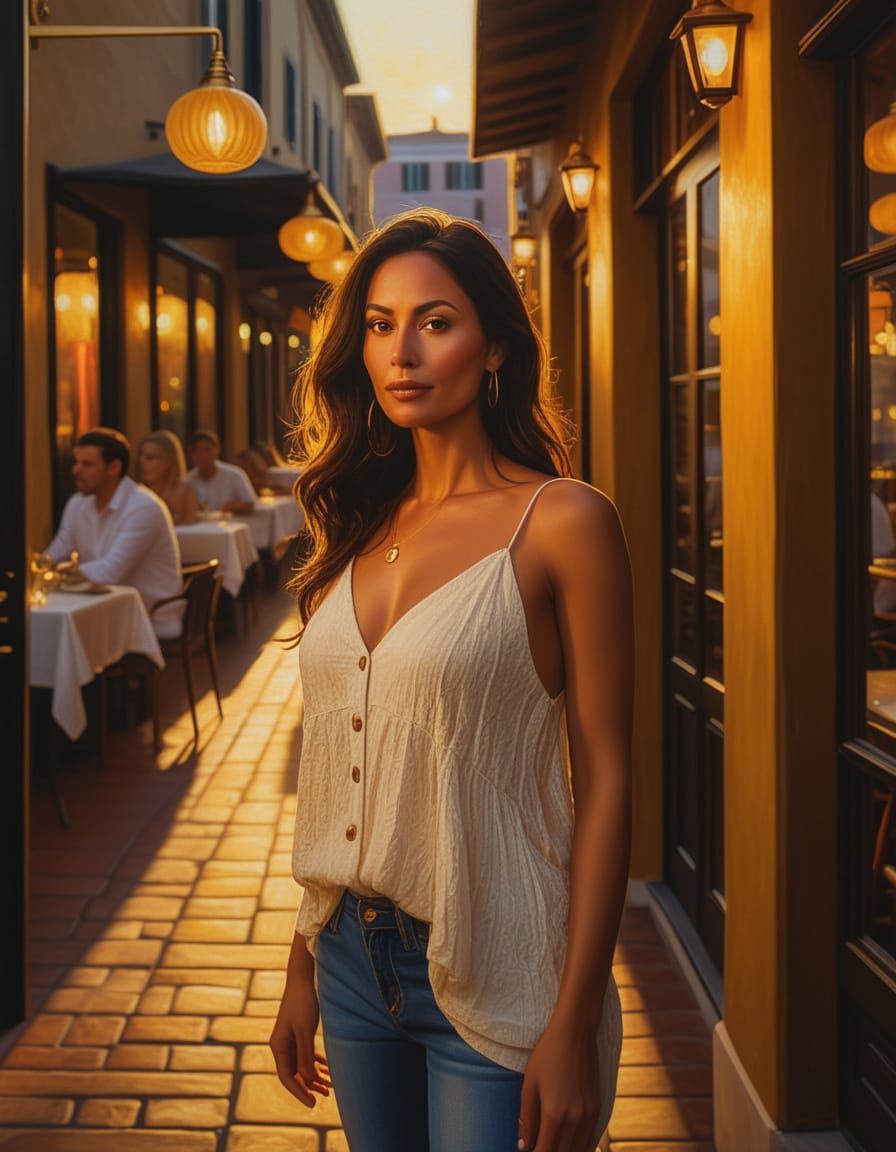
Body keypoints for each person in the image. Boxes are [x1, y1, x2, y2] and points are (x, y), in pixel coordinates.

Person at [270, 209, 632, 1152]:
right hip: (350, 959)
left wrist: (575, 1020)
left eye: (435, 321)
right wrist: (301, 965)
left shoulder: (562, 523)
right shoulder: (357, 524)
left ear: (497, 347)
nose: (402, 352)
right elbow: (333, 772)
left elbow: (605, 782)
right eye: (382, 325)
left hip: (504, 960)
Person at [45, 427, 183, 638]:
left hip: (148, 615)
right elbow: (59, 549)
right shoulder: (77, 503)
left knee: (55, 632)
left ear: (114, 467)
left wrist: (54, 576)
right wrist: (40, 570)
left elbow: (111, 572)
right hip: (99, 606)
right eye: (77, 462)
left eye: (87, 464)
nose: (76, 470)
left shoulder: (144, 507)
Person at [184, 430, 256, 513]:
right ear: (192, 455)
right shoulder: (187, 480)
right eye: (198, 451)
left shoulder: (235, 475)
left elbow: (250, 503)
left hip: (231, 523)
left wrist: (231, 506)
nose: (203, 455)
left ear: (216, 450)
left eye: (207, 450)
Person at [137, 430, 199, 525]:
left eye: (149, 458)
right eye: (140, 457)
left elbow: (190, 530)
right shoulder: (136, 492)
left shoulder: (186, 492)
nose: (142, 463)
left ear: (169, 461)